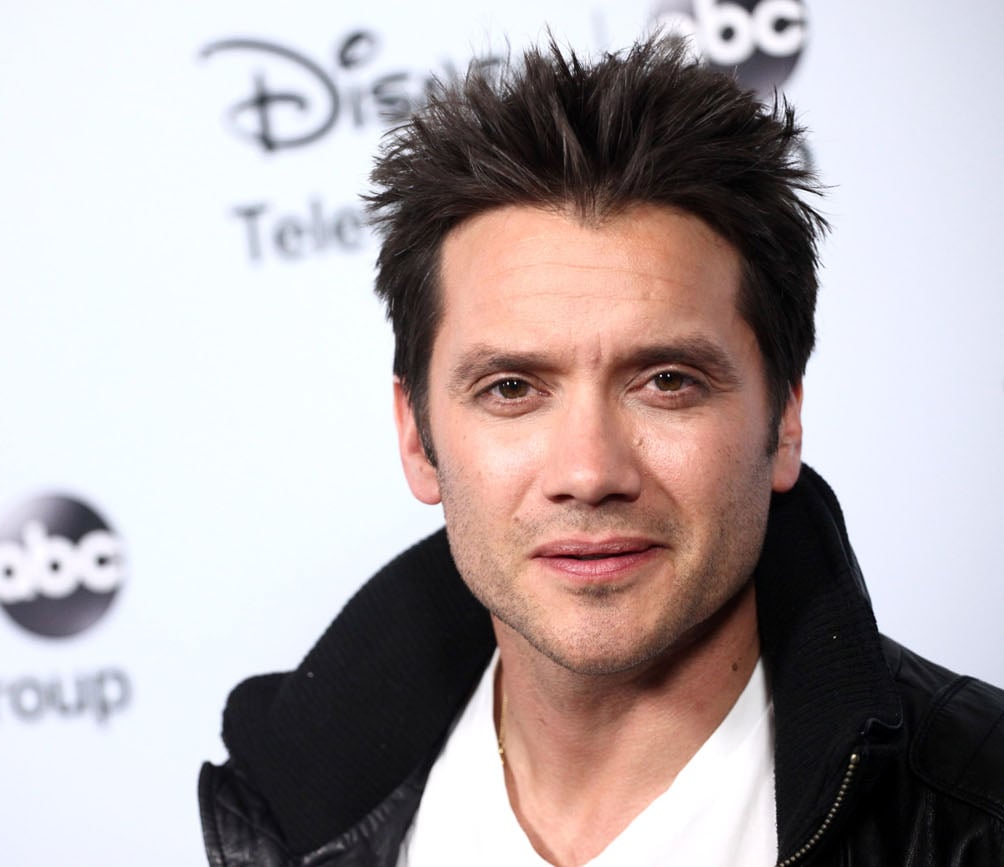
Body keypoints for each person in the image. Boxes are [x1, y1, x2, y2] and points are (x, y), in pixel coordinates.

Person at [198, 37, 1004, 866]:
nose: (589, 472)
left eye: (667, 381)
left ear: (785, 419)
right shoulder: (291, 808)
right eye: (513, 387)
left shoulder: (978, 813)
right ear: (417, 436)